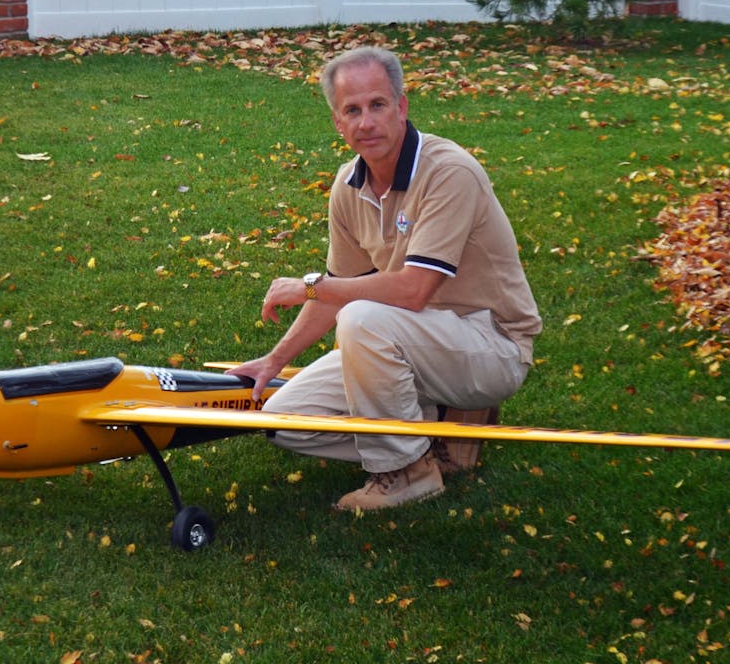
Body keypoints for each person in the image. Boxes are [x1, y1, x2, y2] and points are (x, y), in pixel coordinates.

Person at [230, 46, 541, 511]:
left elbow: (413, 290)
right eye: (351, 110)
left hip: (490, 344)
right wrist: (273, 361)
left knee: (362, 320)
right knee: (282, 421)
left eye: (377, 105)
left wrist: (311, 285)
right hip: (408, 343)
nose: (366, 122)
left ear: (402, 107)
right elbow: (340, 286)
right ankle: (435, 431)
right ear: (338, 122)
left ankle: (405, 472)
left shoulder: (448, 172)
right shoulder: (348, 185)